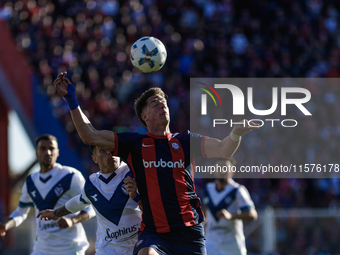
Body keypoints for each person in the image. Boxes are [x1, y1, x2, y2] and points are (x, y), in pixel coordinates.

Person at [53, 72, 259, 255]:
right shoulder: (135, 144)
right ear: (144, 116)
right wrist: (71, 99)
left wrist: (235, 134)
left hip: (189, 231)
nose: (162, 105)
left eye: (164, 102)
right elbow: (90, 135)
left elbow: (224, 149)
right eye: (155, 103)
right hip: (155, 232)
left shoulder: (186, 140)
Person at [37, 145, 143, 255]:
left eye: (111, 148)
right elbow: (79, 201)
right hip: (107, 250)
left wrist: (137, 196)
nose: (109, 153)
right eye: (102, 150)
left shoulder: (134, 172)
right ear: (95, 159)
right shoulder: (92, 183)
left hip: (138, 246)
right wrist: (56, 213)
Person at [0, 134, 95, 255]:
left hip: (70, 249)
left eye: (51, 148)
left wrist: (72, 220)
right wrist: (6, 226)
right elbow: (20, 212)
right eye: (43, 149)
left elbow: (91, 207)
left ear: (58, 152)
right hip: (41, 250)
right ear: (36, 153)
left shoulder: (71, 176)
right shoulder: (30, 181)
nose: (48, 152)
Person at [202, 158, 258, 255]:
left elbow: (252, 214)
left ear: (232, 171)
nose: (222, 171)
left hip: (232, 247)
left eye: (225, 168)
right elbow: (204, 213)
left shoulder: (238, 190)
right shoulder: (208, 189)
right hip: (211, 244)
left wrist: (231, 216)